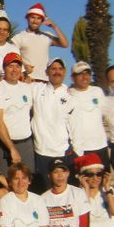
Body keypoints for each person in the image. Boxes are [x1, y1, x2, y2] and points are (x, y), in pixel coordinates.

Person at [30, 58, 75, 193]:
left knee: (63, 192)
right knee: (43, 192)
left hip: (62, 151)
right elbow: (16, 85)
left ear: (65, 72)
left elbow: (73, 125)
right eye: (53, 69)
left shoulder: (70, 94)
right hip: (41, 151)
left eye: (60, 69)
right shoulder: (36, 89)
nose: (57, 72)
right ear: (47, 72)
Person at [0, 52, 34, 174]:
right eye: (10, 66)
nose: (14, 70)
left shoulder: (27, 88)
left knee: (28, 181)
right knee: (7, 182)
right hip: (6, 146)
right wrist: (12, 148)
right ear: (4, 68)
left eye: (18, 66)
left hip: (27, 144)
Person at [11, 3, 68, 82]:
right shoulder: (18, 37)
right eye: (32, 17)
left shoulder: (46, 36)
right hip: (28, 80)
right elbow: (12, 58)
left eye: (38, 18)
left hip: (45, 80)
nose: (35, 21)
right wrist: (23, 67)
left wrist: (55, 27)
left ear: (42, 21)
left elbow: (65, 44)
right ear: (27, 18)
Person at [68, 61, 109, 167]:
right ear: (72, 77)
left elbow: (108, 115)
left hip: (100, 146)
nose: (84, 77)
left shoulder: (98, 91)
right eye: (80, 74)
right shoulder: (68, 93)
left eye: (87, 73)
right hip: (79, 149)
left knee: (104, 177)